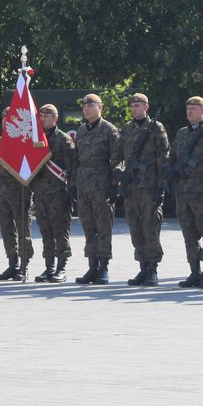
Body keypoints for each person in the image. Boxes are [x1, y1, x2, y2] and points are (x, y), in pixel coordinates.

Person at [169, 96, 203, 288]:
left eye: (193, 109)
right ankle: (194, 271)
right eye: (188, 109)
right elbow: (173, 157)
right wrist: (171, 171)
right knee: (189, 235)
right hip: (183, 192)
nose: (189, 112)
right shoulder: (182, 133)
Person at [118, 93, 170, 286]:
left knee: (151, 227)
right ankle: (142, 266)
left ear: (146, 107)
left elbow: (164, 157)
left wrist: (161, 186)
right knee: (135, 228)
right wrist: (120, 172)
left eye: (138, 105)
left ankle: (153, 268)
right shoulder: (127, 129)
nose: (134, 108)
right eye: (132, 106)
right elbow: (118, 155)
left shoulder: (156, 128)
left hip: (149, 186)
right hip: (131, 187)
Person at [74, 93, 122, 284]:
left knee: (103, 227)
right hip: (83, 185)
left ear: (100, 107)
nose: (86, 108)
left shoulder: (109, 130)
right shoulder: (82, 130)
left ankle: (103, 267)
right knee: (88, 226)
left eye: (90, 105)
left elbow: (117, 159)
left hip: (102, 185)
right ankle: (92, 266)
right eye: (84, 106)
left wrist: (115, 186)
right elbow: (77, 159)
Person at [32, 104, 75, 282]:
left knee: (60, 231)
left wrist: (71, 192)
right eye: (41, 116)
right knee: (46, 231)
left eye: (47, 116)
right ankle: (49, 267)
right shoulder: (35, 139)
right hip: (41, 194)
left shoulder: (63, 140)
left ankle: (61, 268)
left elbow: (72, 168)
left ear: (55, 118)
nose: (43, 119)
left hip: (58, 193)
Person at [0, 123, 33, 282]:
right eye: (3, 118)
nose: (5, 121)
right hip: (2, 189)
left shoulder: (25, 140)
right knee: (6, 229)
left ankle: (24, 265)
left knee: (23, 229)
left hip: (19, 189)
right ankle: (12, 263)